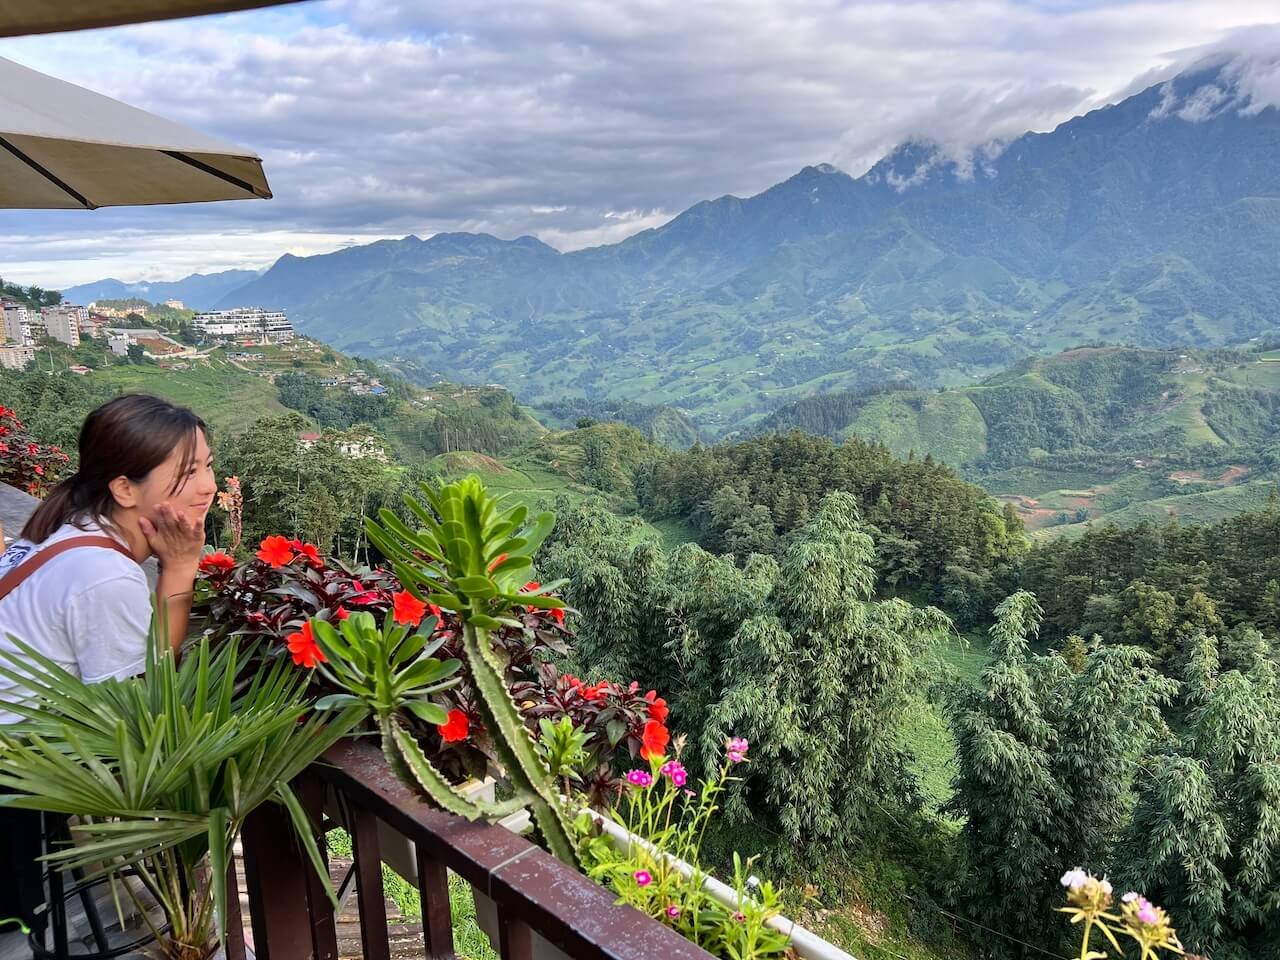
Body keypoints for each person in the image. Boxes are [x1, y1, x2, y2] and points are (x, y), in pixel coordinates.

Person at [0, 393, 216, 936]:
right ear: (123, 488)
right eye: (187, 472)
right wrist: (182, 568)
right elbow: (144, 702)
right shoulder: (105, 575)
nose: (208, 486)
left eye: (208, 466)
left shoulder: (65, 528)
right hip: (15, 781)